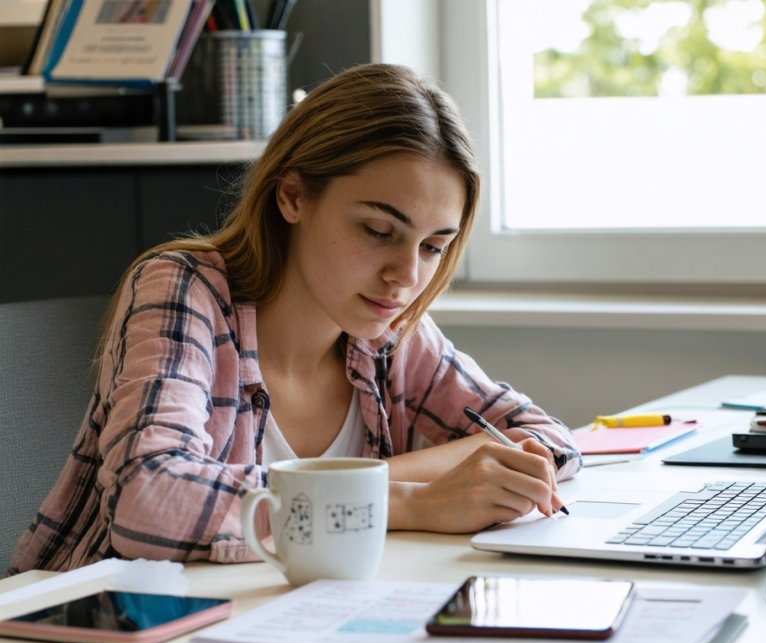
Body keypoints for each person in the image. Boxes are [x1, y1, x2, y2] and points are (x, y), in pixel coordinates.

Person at [7, 63, 581, 576]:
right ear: (292, 197)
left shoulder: (387, 333)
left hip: (275, 625)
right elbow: (147, 499)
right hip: (85, 641)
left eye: (433, 246)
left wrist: (395, 478)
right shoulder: (184, 288)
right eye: (378, 232)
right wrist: (407, 500)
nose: (405, 276)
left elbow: (548, 442)